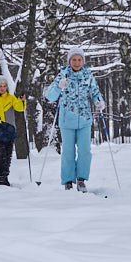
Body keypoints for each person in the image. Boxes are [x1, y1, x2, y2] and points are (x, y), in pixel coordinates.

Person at [45, 46, 105, 192]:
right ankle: (68, 181)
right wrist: (59, 87)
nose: (77, 62)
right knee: (68, 152)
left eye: (79, 59)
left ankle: (81, 179)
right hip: (67, 119)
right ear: (69, 61)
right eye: (74, 59)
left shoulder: (88, 75)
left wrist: (99, 101)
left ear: (83, 61)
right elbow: (50, 96)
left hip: (84, 119)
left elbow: (95, 92)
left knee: (85, 151)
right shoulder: (63, 74)